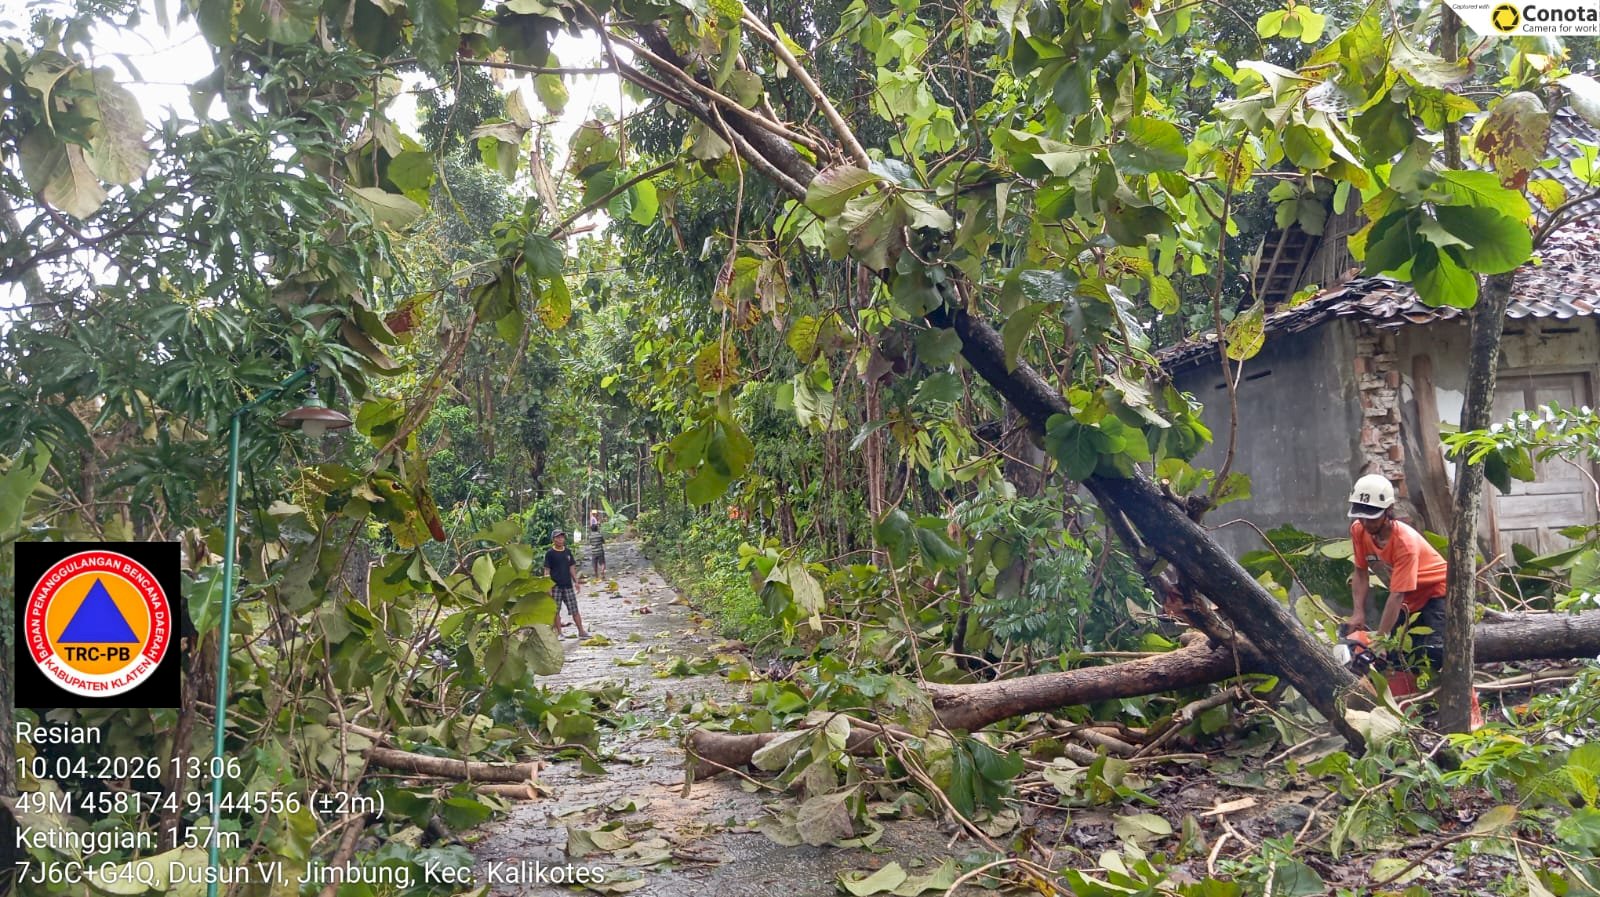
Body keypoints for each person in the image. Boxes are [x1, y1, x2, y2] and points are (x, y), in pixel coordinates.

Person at [1345, 474, 1480, 726]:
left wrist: (1380, 640)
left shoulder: (1404, 541)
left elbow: (1396, 595)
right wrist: (1358, 613)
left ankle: (1471, 717)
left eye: (1371, 515)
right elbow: (1361, 572)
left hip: (1437, 594)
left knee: (1436, 653)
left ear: (1387, 510)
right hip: (1409, 599)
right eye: (1361, 515)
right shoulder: (1358, 531)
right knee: (1397, 656)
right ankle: (1408, 714)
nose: (1365, 521)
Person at [543, 529, 587, 639]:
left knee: (574, 609)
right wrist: (548, 587)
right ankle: (559, 633)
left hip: (567, 585)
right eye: (558, 537)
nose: (560, 539)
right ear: (553, 539)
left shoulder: (567, 552)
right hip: (555, 586)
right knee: (556, 611)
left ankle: (581, 631)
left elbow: (571, 567)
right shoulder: (550, 554)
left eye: (562, 537)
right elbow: (547, 571)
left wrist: (576, 581)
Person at [587, 509, 607, 579]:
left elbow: (590, 543)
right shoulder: (599, 535)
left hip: (594, 552)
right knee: (602, 563)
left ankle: (596, 575)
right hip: (600, 551)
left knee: (594, 564)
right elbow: (603, 541)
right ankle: (602, 571)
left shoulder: (590, 536)